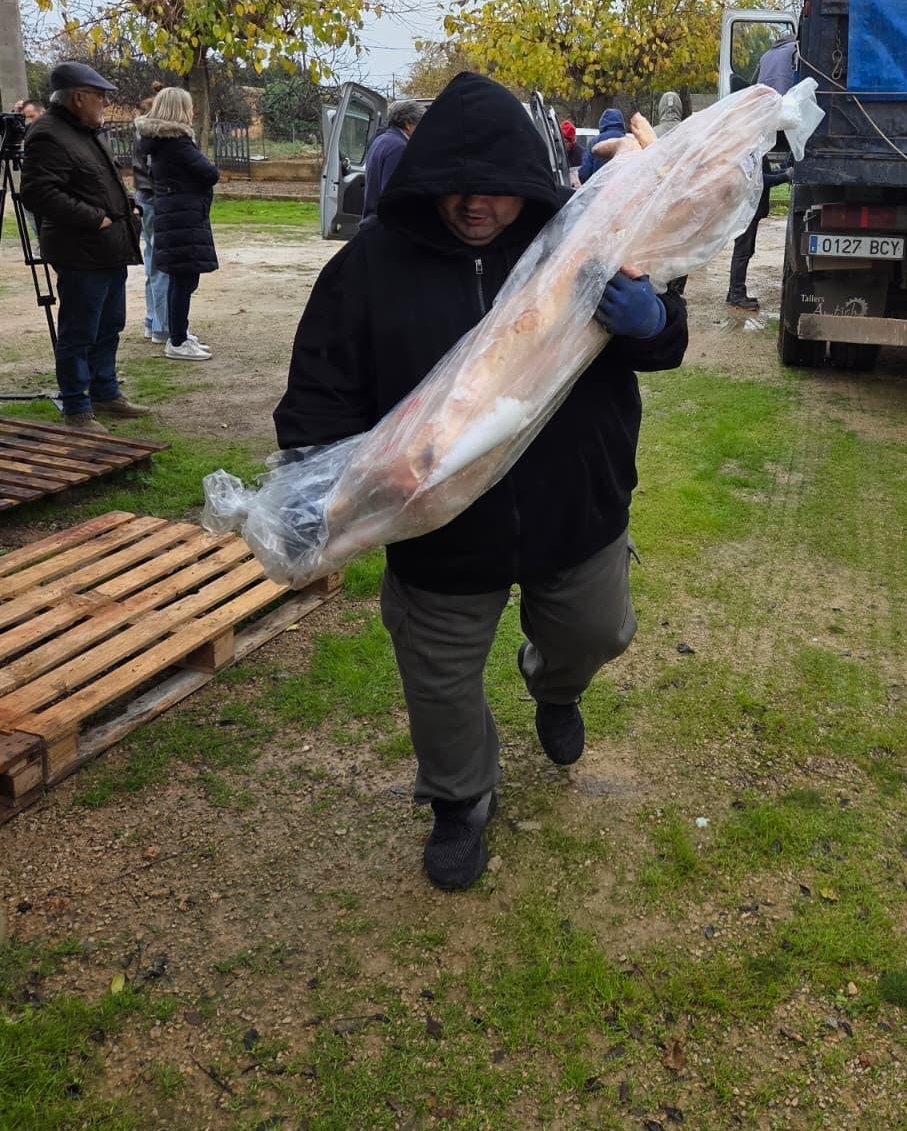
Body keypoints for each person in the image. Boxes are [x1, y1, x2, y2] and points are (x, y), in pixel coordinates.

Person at [274, 72, 687, 890]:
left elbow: (662, 340)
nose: (475, 205)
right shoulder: (369, 267)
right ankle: (461, 800)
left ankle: (554, 685)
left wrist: (654, 322)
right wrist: (304, 484)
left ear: (526, 181)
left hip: (575, 502)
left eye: (496, 189)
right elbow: (323, 385)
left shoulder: (576, 244)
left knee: (598, 631)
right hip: (439, 522)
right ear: (423, 179)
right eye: (455, 187)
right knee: (438, 679)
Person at [18, 62, 150, 431]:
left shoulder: (89, 131)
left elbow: (101, 179)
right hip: (81, 251)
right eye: (100, 96)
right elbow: (39, 192)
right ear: (78, 98)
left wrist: (127, 206)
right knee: (79, 331)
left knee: (110, 324)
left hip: (110, 248)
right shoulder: (48, 133)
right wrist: (95, 218)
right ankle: (77, 407)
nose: (106, 103)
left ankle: (105, 392)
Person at [136, 86, 219, 362]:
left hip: (174, 213)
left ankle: (178, 332)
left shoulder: (158, 142)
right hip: (181, 216)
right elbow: (209, 173)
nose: (192, 112)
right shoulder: (177, 143)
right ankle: (177, 339)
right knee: (184, 278)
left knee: (179, 278)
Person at [726, 37, 798, 311]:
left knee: (745, 249)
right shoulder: (750, 147)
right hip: (748, 207)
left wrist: (783, 169)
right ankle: (736, 293)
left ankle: (736, 292)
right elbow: (758, 180)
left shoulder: (755, 145)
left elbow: (763, 173)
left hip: (750, 207)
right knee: (743, 250)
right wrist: (785, 175)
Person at [131, 83, 169, 344]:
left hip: (144, 197)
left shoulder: (140, 134)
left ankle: (151, 319)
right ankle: (162, 327)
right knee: (161, 267)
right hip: (155, 199)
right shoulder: (153, 137)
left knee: (152, 263)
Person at [362, 99, 424, 221]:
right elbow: (393, 195)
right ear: (408, 123)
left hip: (373, 222)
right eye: (421, 125)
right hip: (386, 226)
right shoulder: (399, 147)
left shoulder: (382, 140)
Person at [578, 107, 627, 183]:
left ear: (602, 123)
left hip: (599, 191)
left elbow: (584, 174)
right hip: (623, 191)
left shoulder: (594, 142)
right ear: (621, 124)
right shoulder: (629, 142)